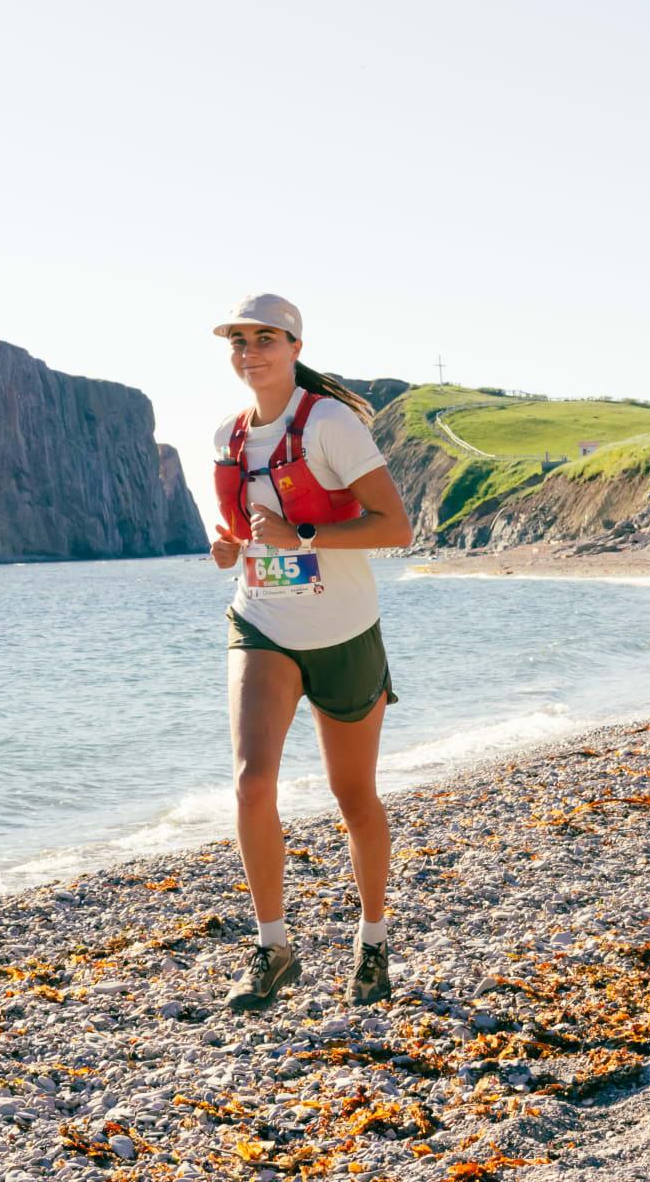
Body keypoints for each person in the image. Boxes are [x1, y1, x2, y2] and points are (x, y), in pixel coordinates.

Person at [210, 293, 412, 1010]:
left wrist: (300, 536)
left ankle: (374, 943)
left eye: (264, 338)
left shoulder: (330, 425)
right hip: (262, 620)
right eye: (238, 340)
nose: (249, 351)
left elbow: (396, 527)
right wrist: (229, 548)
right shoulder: (227, 438)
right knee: (251, 780)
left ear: (294, 346)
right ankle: (273, 948)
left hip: (345, 631)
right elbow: (246, 533)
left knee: (351, 794)